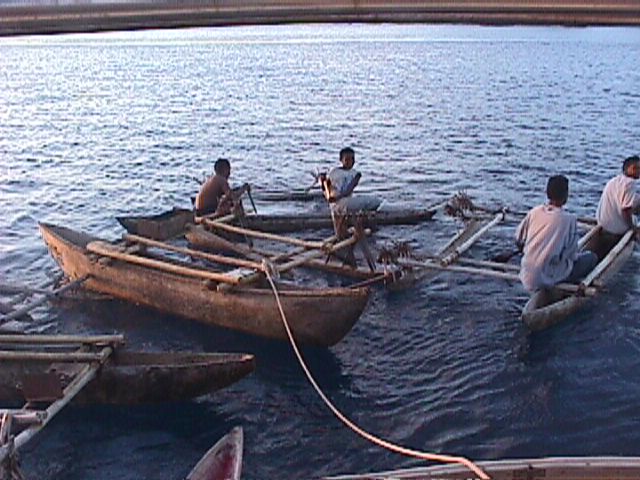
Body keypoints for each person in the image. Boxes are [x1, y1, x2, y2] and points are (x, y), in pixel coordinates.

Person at [515, 175, 598, 293]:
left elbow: (518, 240)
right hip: (549, 274)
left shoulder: (534, 212)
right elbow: (572, 255)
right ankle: (569, 286)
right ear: (565, 195)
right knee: (591, 257)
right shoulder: (569, 219)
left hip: (526, 273)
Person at [321, 147, 381, 232]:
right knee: (375, 201)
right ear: (341, 160)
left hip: (343, 201)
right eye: (347, 159)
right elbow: (327, 188)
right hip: (337, 204)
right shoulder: (333, 172)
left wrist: (335, 198)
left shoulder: (356, 174)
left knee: (373, 202)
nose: (350, 162)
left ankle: (361, 223)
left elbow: (348, 190)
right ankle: (363, 224)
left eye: (352, 159)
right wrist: (323, 183)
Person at [594, 154, 640, 258]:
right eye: (637, 168)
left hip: (603, 223)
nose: (639, 171)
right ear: (629, 169)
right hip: (614, 230)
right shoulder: (630, 183)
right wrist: (632, 228)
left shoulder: (614, 180)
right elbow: (626, 210)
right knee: (633, 219)